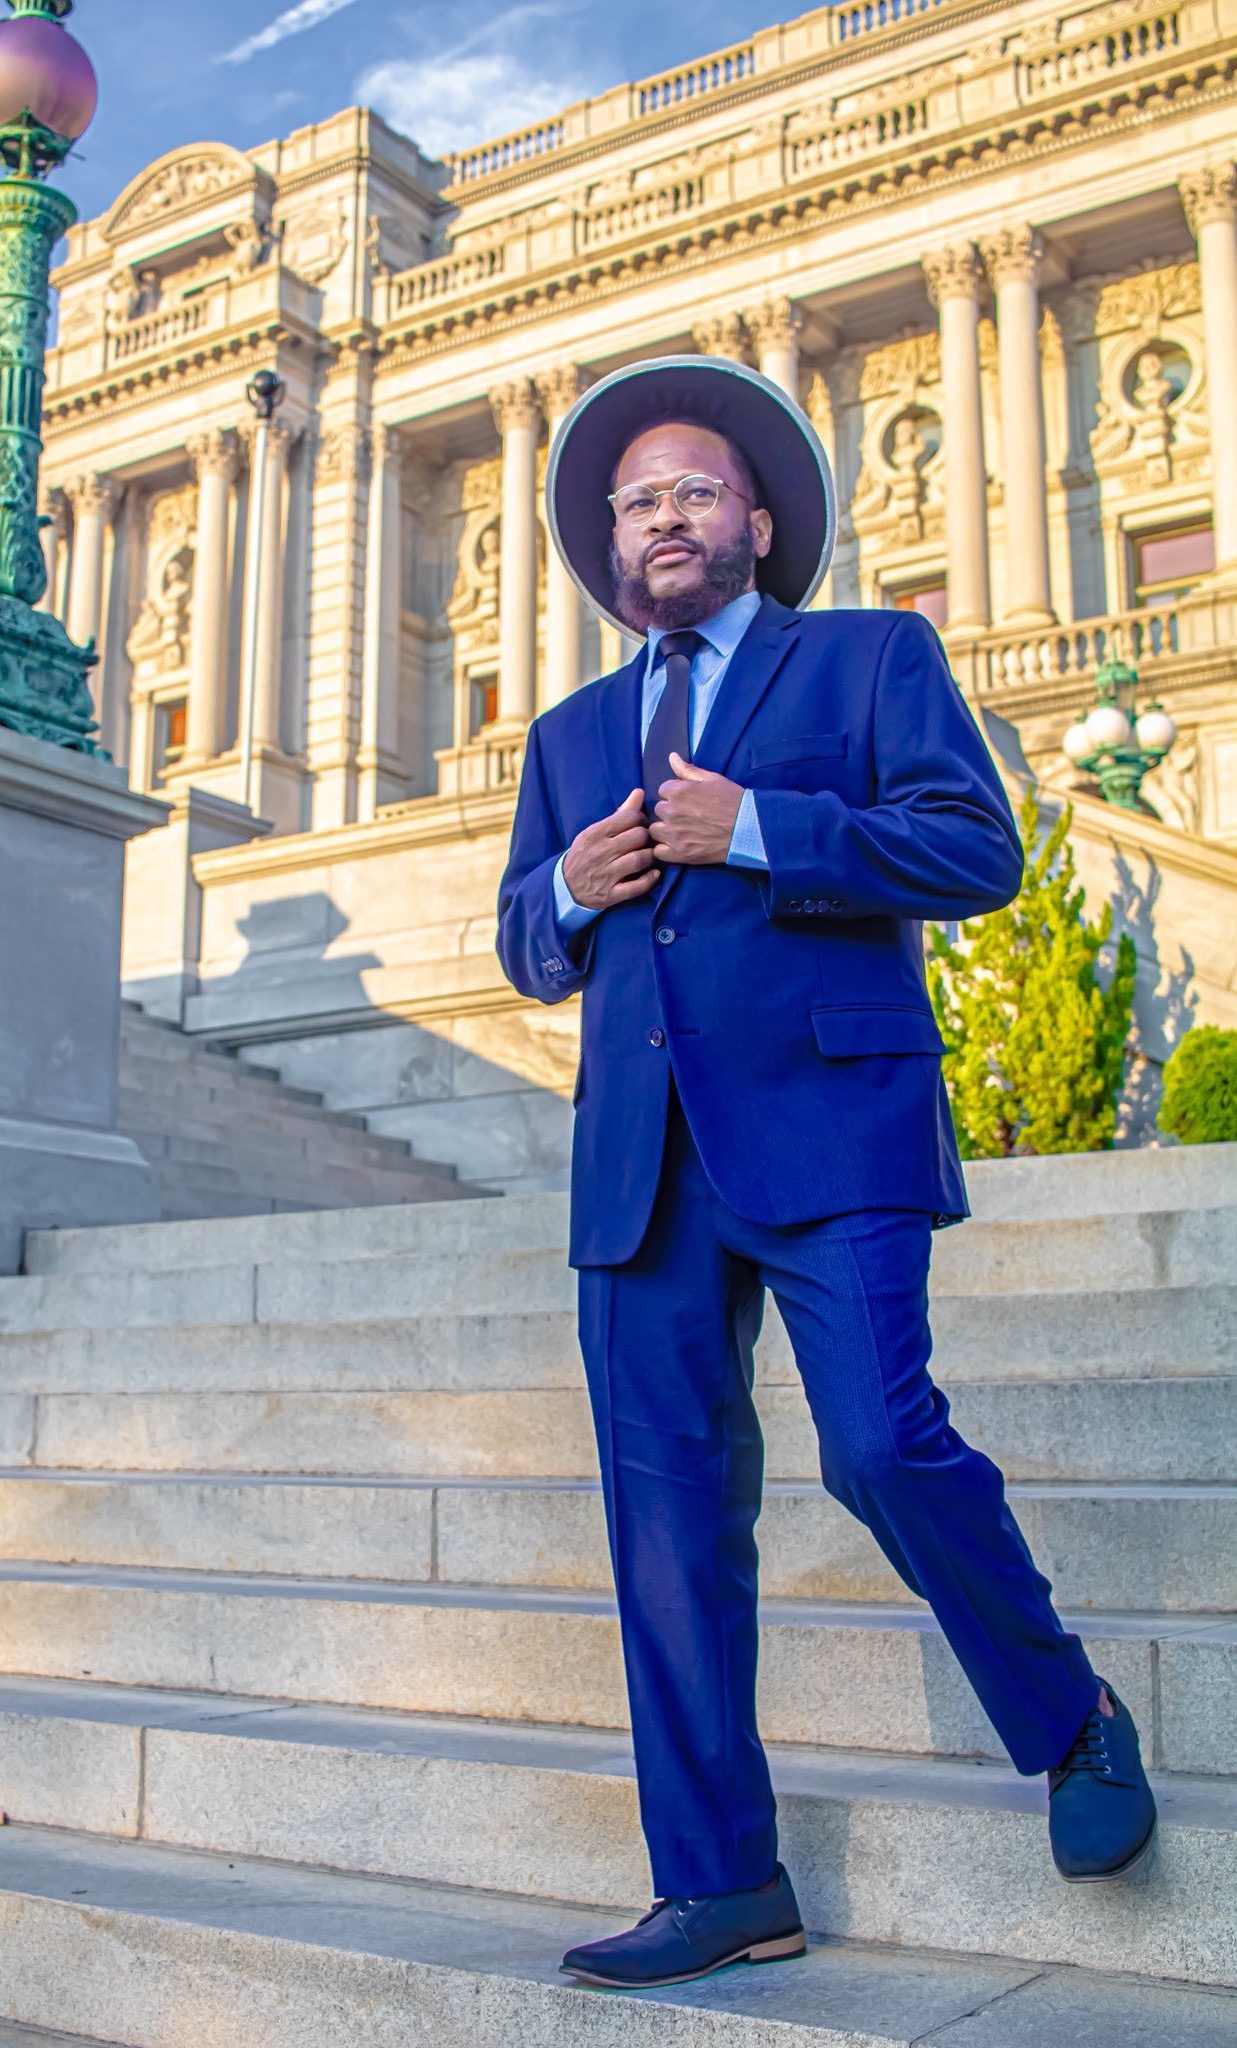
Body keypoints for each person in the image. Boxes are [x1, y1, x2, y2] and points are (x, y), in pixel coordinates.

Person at [493, 354, 1157, 1992]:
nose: (662, 516)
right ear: (610, 547)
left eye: (692, 491)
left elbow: (975, 849)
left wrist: (768, 829)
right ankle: (721, 1883)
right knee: (665, 1532)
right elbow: (523, 944)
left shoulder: (867, 657)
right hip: (637, 1174)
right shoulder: (573, 734)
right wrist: (569, 891)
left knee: (877, 1441)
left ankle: (1066, 1713)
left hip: (828, 1127)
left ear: (758, 519)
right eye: (636, 500)